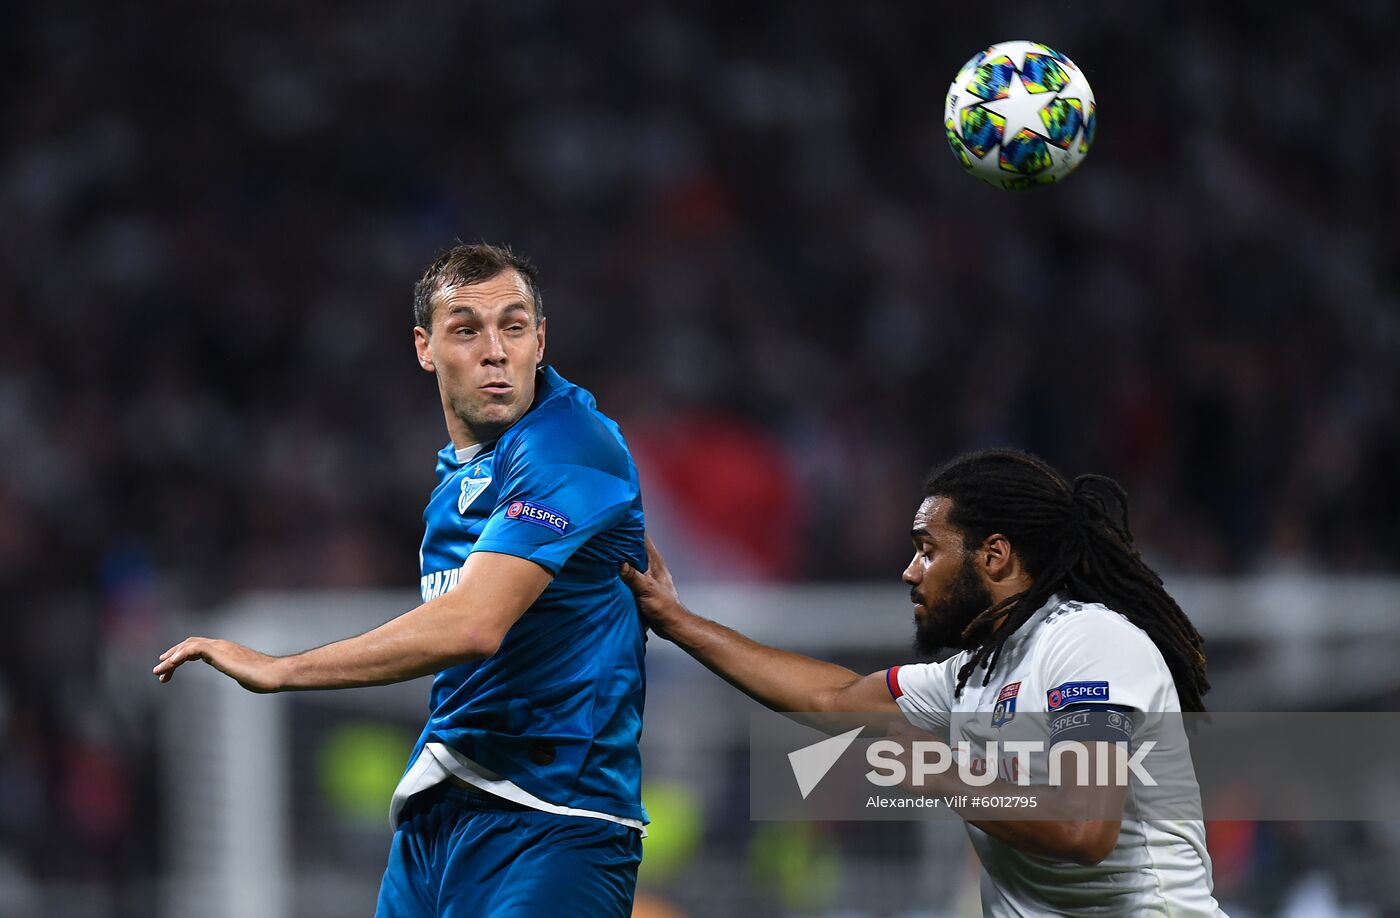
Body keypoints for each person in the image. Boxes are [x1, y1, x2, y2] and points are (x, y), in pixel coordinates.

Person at [154, 243, 649, 917]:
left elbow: (473, 626)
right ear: (425, 347)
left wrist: (281, 670)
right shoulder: (458, 475)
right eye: (467, 330)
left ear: (540, 339)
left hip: (555, 818)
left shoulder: (569, 441)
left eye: (514, 325)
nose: (495, 350)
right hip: (440, 817)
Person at [621, 448, 1225, 916]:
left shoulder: (1087, 643)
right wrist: (677, 621)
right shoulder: (974, 675)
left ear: (995, 556)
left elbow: (1083, 827)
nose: (910, 572)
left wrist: (933, 766)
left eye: (928, 550)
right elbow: (831, 699)